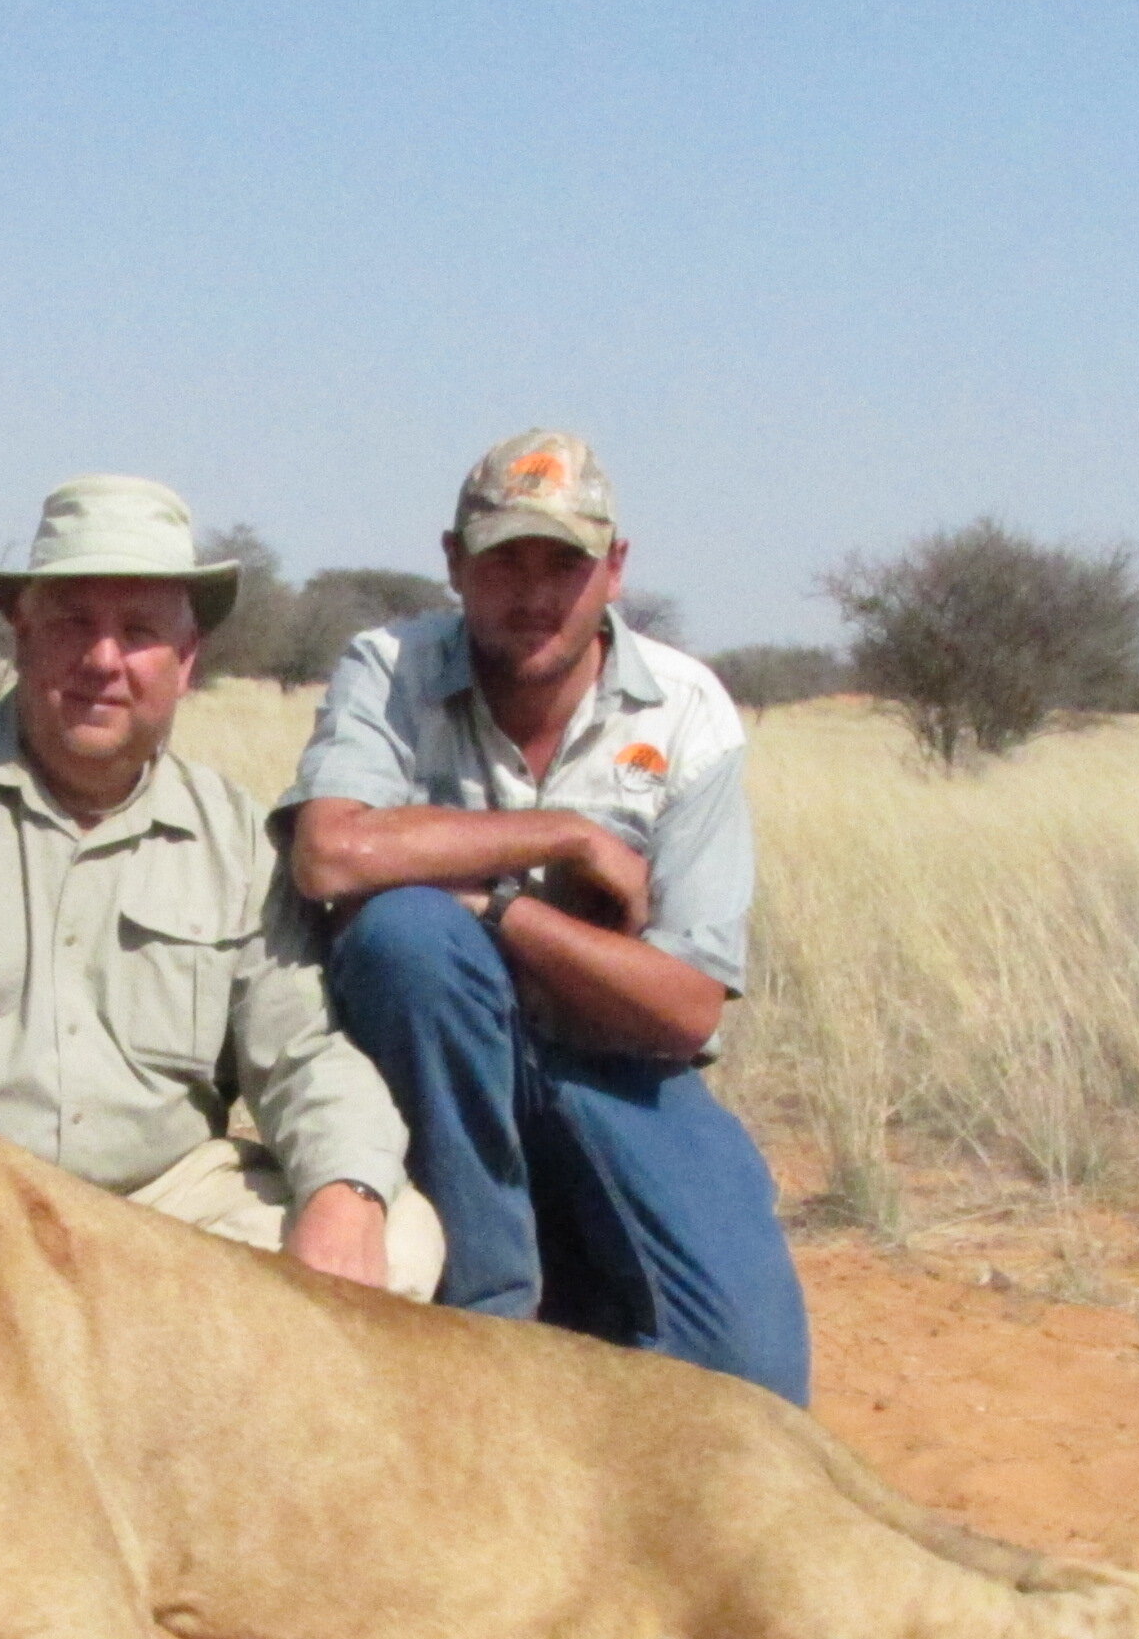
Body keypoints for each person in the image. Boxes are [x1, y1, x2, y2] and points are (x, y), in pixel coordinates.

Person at [0, 473, 443, 1295]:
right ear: (21, 636)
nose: (103, 660)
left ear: (186, 660)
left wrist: (346, 1191)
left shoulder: (237, 838)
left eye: (138, 631)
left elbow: (305, 1053)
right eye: (73, 624)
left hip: (159, 1207)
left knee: (399, 1240)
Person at [279, 429, 811, 1402]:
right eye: (502, 562)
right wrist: (562, 836)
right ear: (453, 564)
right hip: (423, 1057)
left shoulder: (687, 711)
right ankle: (492, 1324)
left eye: (562, 563)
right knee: (407, 938)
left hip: (614, 1060)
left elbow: (687, 1007)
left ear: (613, 569)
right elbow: (330, 851)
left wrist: (497, 907)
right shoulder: (386, 667)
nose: (531, 593)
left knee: (751, 1377)